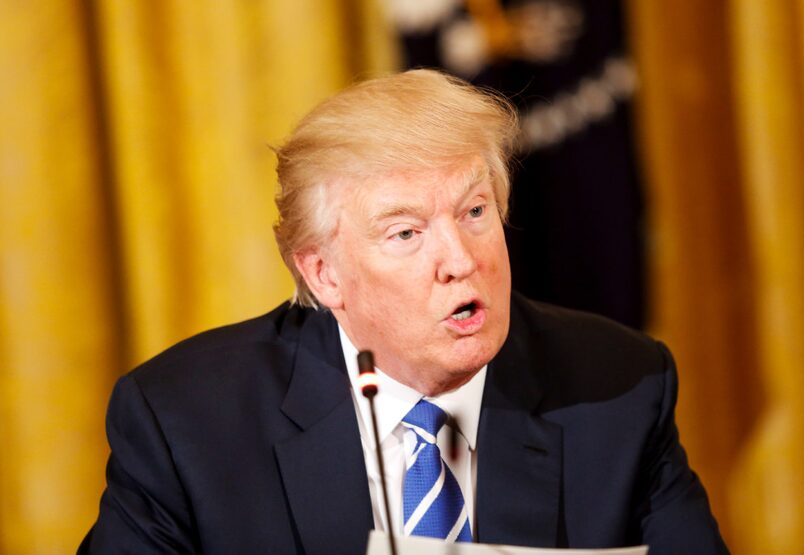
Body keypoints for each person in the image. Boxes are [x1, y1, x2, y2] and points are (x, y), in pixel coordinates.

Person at [80, 70, 728, 554]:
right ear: (324, 273)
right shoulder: (187, 423)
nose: (460, 259)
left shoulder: (617, 387)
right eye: (405, 233)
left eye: (475, 213)